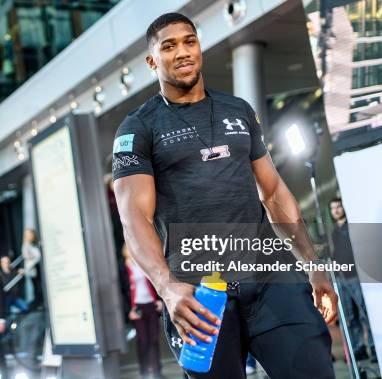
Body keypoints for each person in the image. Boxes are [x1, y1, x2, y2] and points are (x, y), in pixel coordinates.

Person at [112, 13, 338, 379]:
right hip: (202, 295)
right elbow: (134, 217)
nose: (183, 52)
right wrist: (167, 288)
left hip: (270, 278)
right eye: (169, 46)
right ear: (152, 61)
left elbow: (275, 192)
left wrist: (311, 264)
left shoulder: (238, 110)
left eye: (189, 41)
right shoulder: (138, 127)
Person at [330, 198, 376, 362]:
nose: (335, 210)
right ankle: (359, 348)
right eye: (333, 208)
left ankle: (372, 346)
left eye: (338, 207)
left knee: (364, 315)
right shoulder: (334, 230)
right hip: (342, 279)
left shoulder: (351, 227)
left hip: (356, 277)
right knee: (350, 318)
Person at [123, 244, 163, 378]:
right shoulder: (123, 267)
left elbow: (155, 281)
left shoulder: (144, 263)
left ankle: (157, 372)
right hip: (137, 308)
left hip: (151, 305)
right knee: (144, 340)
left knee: (154, 339)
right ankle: (144, 372)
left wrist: (159, 299)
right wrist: (128, 310)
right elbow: (122, 292)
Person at [20, 229, 41, 306]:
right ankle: (37, 303)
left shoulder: (33, 244)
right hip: (32, 268)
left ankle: (38, 302)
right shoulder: (26, 245)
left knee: (37, 286)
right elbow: (26, 256)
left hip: (35, 267)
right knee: (36, 286)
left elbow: (37, 256)